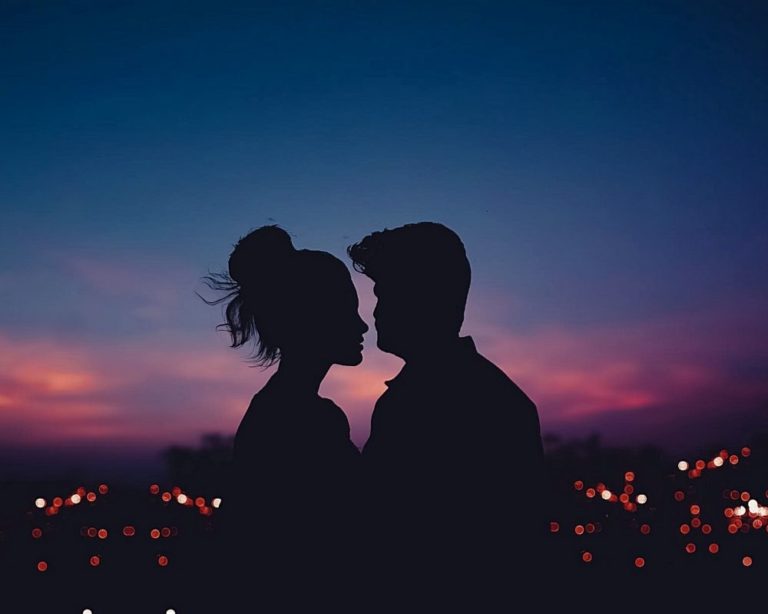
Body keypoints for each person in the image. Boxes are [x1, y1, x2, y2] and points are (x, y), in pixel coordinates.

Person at [348, 222, 546, 606]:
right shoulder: (432, 396)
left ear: (421, 297)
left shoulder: (468, 403)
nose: (376, 312)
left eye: (384, 294)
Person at [202, 225, 368, 610]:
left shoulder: (284, 410)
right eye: (347, 309)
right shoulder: (303, 420)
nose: (362, 325)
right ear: (309, 318)